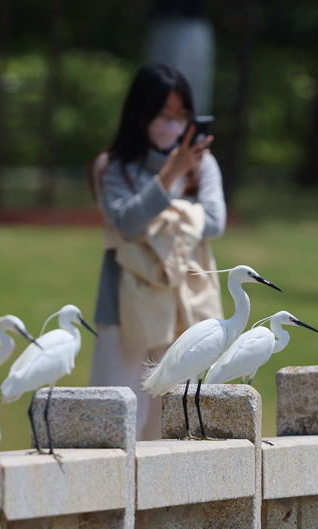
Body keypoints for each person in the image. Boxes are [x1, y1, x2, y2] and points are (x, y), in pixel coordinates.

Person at [89, 63, 227, 440]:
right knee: (118, 413)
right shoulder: (113, 167)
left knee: (173, 419)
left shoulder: (204, 165)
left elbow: (215, 221)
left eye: (181, 116)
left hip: (185, 302)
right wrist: (171, 176)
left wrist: (164, 210)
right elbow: (127, 222)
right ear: (141, 115)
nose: (172, 126)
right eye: (163, 115)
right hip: (124, 304)